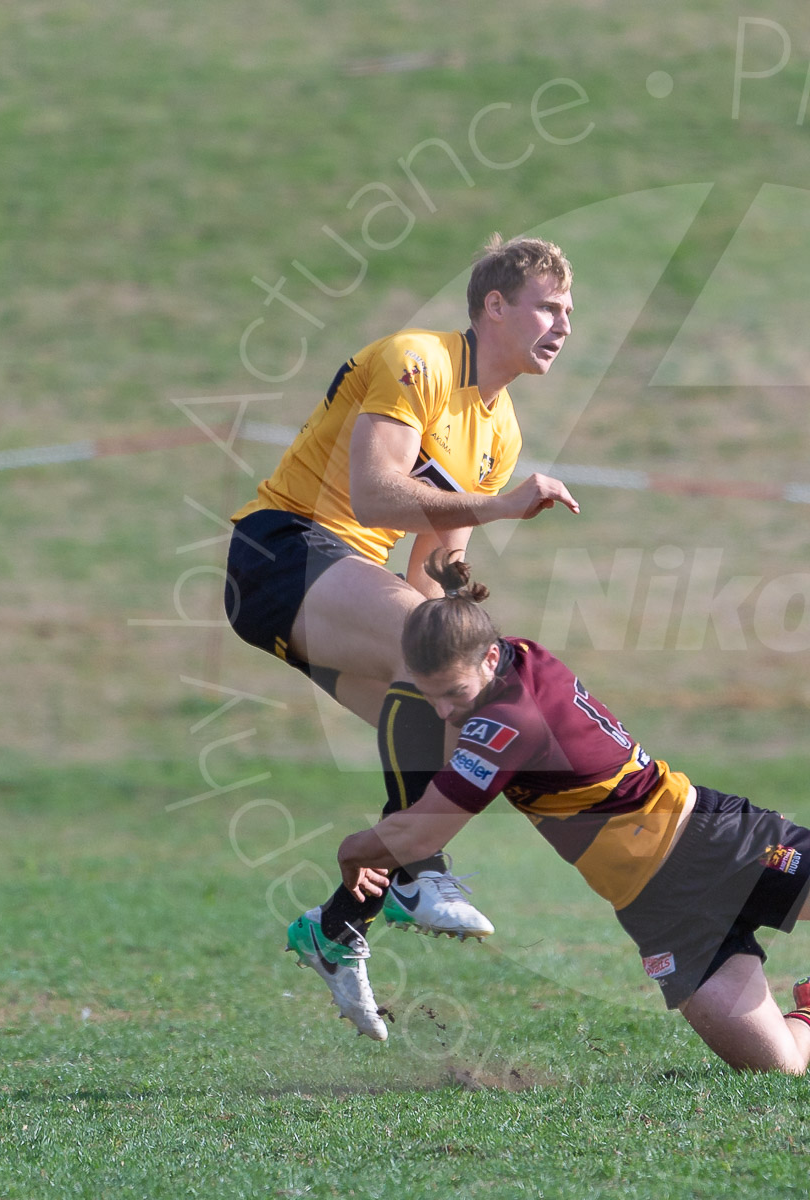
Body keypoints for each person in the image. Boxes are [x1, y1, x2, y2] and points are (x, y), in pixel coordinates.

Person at [294, 550, 810, 1071]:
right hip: (654, 907)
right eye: (429, 697)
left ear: (489, 663)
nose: (442, 711)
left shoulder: (509, 722)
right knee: (776, 1066)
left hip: (711, 846)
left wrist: (355, 853)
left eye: (452, 696)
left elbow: (422, 831)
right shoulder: (507, 656)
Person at [226, 236, 579, 989]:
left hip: (341, 581)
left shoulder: (500, 428)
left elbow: (431, 565)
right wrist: (502, 507)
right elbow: (374, 495)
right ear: (494, 306)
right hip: (280, 550)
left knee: (461, 721)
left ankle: (334, 928)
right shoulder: (417, 359)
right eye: (548, 307)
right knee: (434, 665)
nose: (564, 325)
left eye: (569, 311)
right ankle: (424, 869)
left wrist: (459, 626)